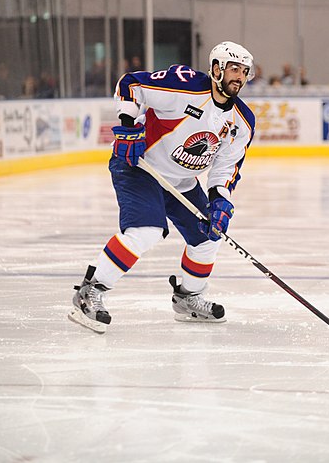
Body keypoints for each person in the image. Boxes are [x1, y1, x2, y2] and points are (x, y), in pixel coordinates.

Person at [69, 41, 257, 334]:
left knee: (209, 238)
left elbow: (225, 168)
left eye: (244, 71)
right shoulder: (186, 86)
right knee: (146, 231)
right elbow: (131, 84)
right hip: (140, 167)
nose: (239, 77)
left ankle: (188, 298)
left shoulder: (242, 122)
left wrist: (220, 200)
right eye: (234, 69)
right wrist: (128, 125)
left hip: (181, 182)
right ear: (217, 68)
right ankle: (89, 291)